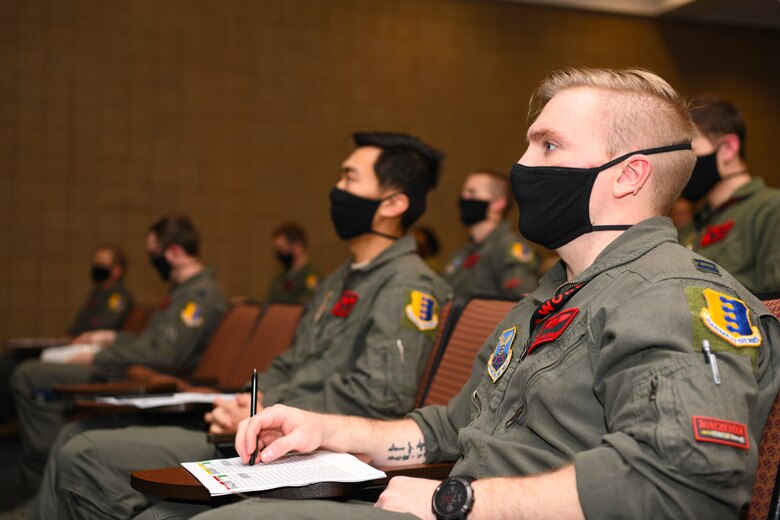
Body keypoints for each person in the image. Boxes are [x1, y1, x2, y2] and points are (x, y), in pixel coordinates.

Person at [196, 68, 780, 520]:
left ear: (629, 175)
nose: (522, 165)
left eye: (548, 146)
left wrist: (456, 502)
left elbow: (685, 481)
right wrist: (327, 430)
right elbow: (449, 432)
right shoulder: (551, 297)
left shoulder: (675, 298)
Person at [29, 132, 453, 520]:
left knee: (86, 454)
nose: (336, 190)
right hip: (265, 433)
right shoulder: (337, 279)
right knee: (82, 445)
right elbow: (292, 361)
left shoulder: (410, 285)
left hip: (305, 448)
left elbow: (378, 396)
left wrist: (267, 411)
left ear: (393, 204)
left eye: (348, 178)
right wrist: (252, 403)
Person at [10, 215, 227, 492]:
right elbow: (152, 342)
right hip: (138, 371)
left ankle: (39, 485)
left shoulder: (200, 295)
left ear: (173, 252)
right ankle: (44, 489)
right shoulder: (183, 291)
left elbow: (163, 356)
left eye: (154, 255)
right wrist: (113, 337)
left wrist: (98, 356)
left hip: (155, 381)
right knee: (33, 374)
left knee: (30, 376)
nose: (152, 262)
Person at [0, 245, 134, 426]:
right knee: (10, 360)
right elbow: (76, 329)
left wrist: (69, 340)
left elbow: (100, 330)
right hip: (73, 346)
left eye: (101, 263)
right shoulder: (97, 294)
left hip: (87, 353)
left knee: (16, 367)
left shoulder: (117, 297)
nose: (95, 266)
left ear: (117, 270)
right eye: (94, 262)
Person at [681, 96, 780, 293]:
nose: (683, 165)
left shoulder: (770, 209)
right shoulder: (687, 229)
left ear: (728, 148)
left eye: (690, 151)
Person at [444, 170, 538, 298]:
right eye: (463, 192)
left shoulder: (507, 247)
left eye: (472, 192)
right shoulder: (464, 251)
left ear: (497, 204)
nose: (464, 197)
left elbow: (522, 300)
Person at [266, 222, 320, 304]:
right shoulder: (279, 279)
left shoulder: (312, 278)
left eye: (282, 247)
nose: (279, 253)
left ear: (298, 246)